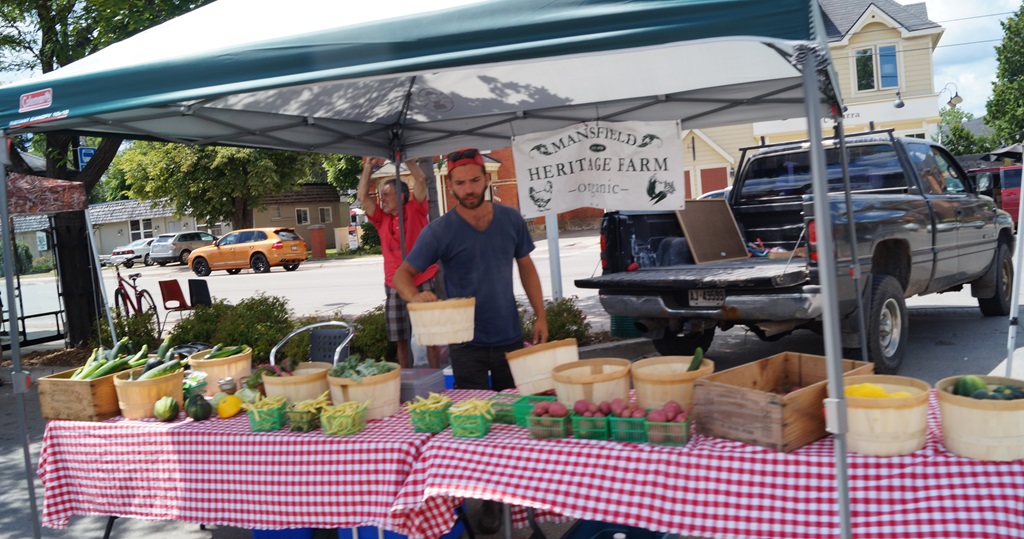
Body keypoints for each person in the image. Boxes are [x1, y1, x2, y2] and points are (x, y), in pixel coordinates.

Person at [393, 147, 549, 390]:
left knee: (513, 412)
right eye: (461, 183)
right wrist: (414, 296)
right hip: (464, 342)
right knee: (472, 416)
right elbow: (402, 275)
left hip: (509, 337)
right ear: (450, 184)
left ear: (487, 178)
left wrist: (540, 315)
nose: (468, 189)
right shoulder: (439, 231)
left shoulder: (511, 219)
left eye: (475, 180)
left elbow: (526, 267)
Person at [357, 157, 441, 369]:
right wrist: (368, 167)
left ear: (401, 197)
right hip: (394, 285)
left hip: (422, 279)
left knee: (430, 337)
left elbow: (421, 180)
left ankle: (434, 381)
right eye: (381, 195)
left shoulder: (415, 208)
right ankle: (407, 380)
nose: (381, 199)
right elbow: (361, 197)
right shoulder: (381, 218)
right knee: (400, 340)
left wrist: (404, 159)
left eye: (386, 195)